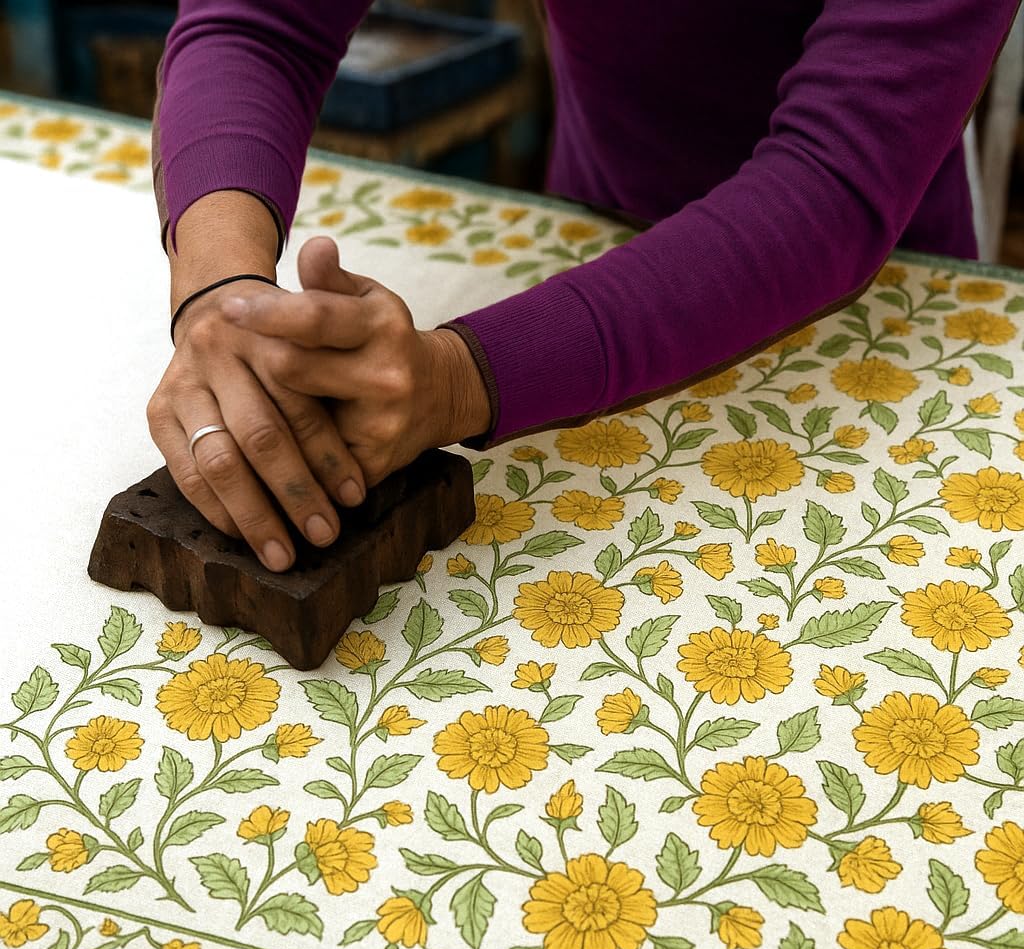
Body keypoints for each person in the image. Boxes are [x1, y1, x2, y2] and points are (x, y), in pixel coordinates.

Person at [147, 0, 1020, 574]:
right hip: (595, 248)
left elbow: (833, 178)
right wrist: (222, 293)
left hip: (875, 339)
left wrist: (459, 379)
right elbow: (262, 25)